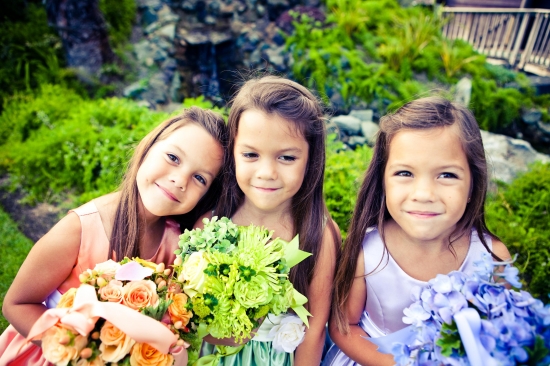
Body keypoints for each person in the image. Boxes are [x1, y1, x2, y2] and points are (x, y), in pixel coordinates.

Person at [0, 106, 228, 365]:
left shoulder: (176, 244)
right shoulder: (80, 229)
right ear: (148, 147)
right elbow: (16, 304)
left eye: (200, 177)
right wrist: (81, 352)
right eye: (173, 158)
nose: (179, 180)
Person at [324, 97, 511, 366]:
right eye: (405, 173)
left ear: (473, 184)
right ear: (383, 180)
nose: (424, 194)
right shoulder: (369, 251)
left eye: (446, 175)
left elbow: (507, 333)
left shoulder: (491, 257)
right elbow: (344, 327)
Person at [200, 75, 341, 366]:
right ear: (232, 153)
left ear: (311, 158)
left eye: (287, 158)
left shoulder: (317, 234)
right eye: (251, 154)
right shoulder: (212, 221)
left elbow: (314, 331)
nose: (267, 172)